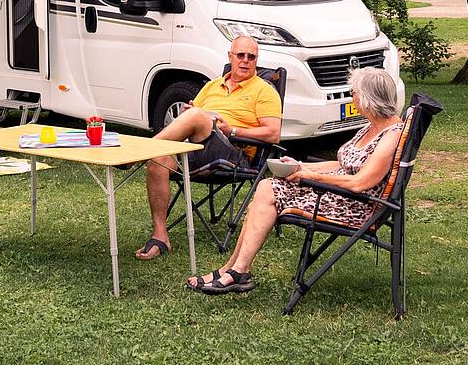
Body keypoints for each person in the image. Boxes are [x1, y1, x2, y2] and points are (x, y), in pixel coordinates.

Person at [185, 66, 404, 294]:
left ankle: (237, 270)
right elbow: (343, 165)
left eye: (354, 93)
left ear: (369, 99)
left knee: (269, 190)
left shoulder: (390, 135)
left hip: (352, 206)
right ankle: (234, 268)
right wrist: (301, 166)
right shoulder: (372, 127)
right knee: (267, 187)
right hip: (338, 193)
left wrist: (312, 177)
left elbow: (360, 183)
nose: (352, 98)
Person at [134, 35, 282, 260]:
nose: (245, 61)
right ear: (230, 56)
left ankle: (140, 151)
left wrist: (231, 130)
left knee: (195, 117)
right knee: (158, 159)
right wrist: (189, 115)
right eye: (240, 55)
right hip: (196, 148)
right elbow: (195, 115)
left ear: (256, 60)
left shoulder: (264, 90)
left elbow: (273, 133)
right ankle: (160, 236)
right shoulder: (213, 85)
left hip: (234, 154)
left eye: (251, 57)